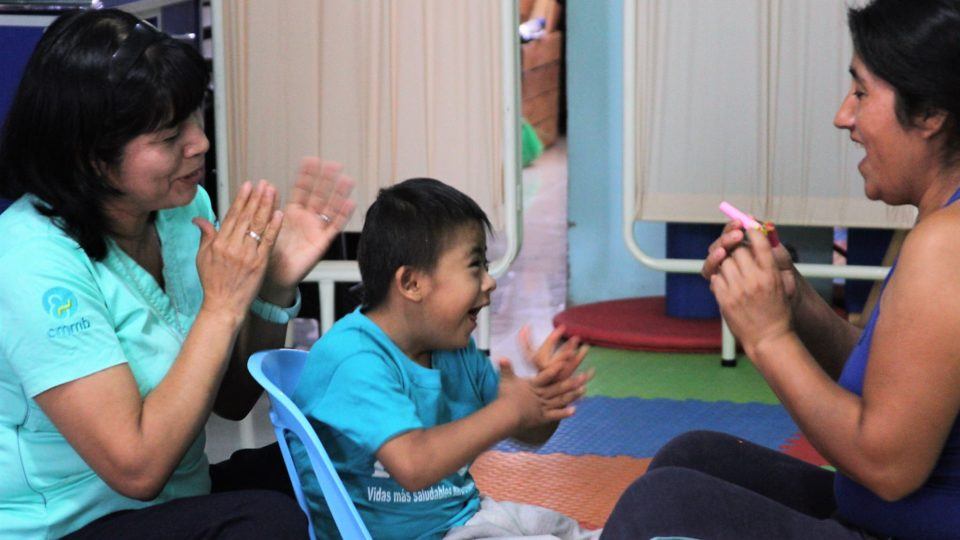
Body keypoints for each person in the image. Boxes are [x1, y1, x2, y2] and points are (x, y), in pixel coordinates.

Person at [601, 1, 960, 539]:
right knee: (695, 457)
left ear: (930, 113)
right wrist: (794, 301)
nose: (845, 116)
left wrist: (766, 335)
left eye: (861, 92)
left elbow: (888, 467)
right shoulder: (941, 225)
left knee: (663, 506)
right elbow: (894, 390)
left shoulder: (947, 244)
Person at [0, 9, 355, 539]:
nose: (200, 144)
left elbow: (232, 401)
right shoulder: (30, 260)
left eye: (196, 116)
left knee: (338, 460)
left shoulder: (182, 213)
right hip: (65, 525)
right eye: (170, 137)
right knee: (268, 525)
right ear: (90, 156)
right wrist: (222, 304)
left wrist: (276, 282)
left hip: (177, 503)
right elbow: (137, 470)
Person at [289, 178, 598, 539]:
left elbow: (528, 432)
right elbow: (414, 465)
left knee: (566, 530)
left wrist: (544, 401)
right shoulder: (354, 359)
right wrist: (511, 410)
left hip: (468, 516)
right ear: (412, 284)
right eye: (475, 266)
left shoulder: (454, 349)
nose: (490, 282)